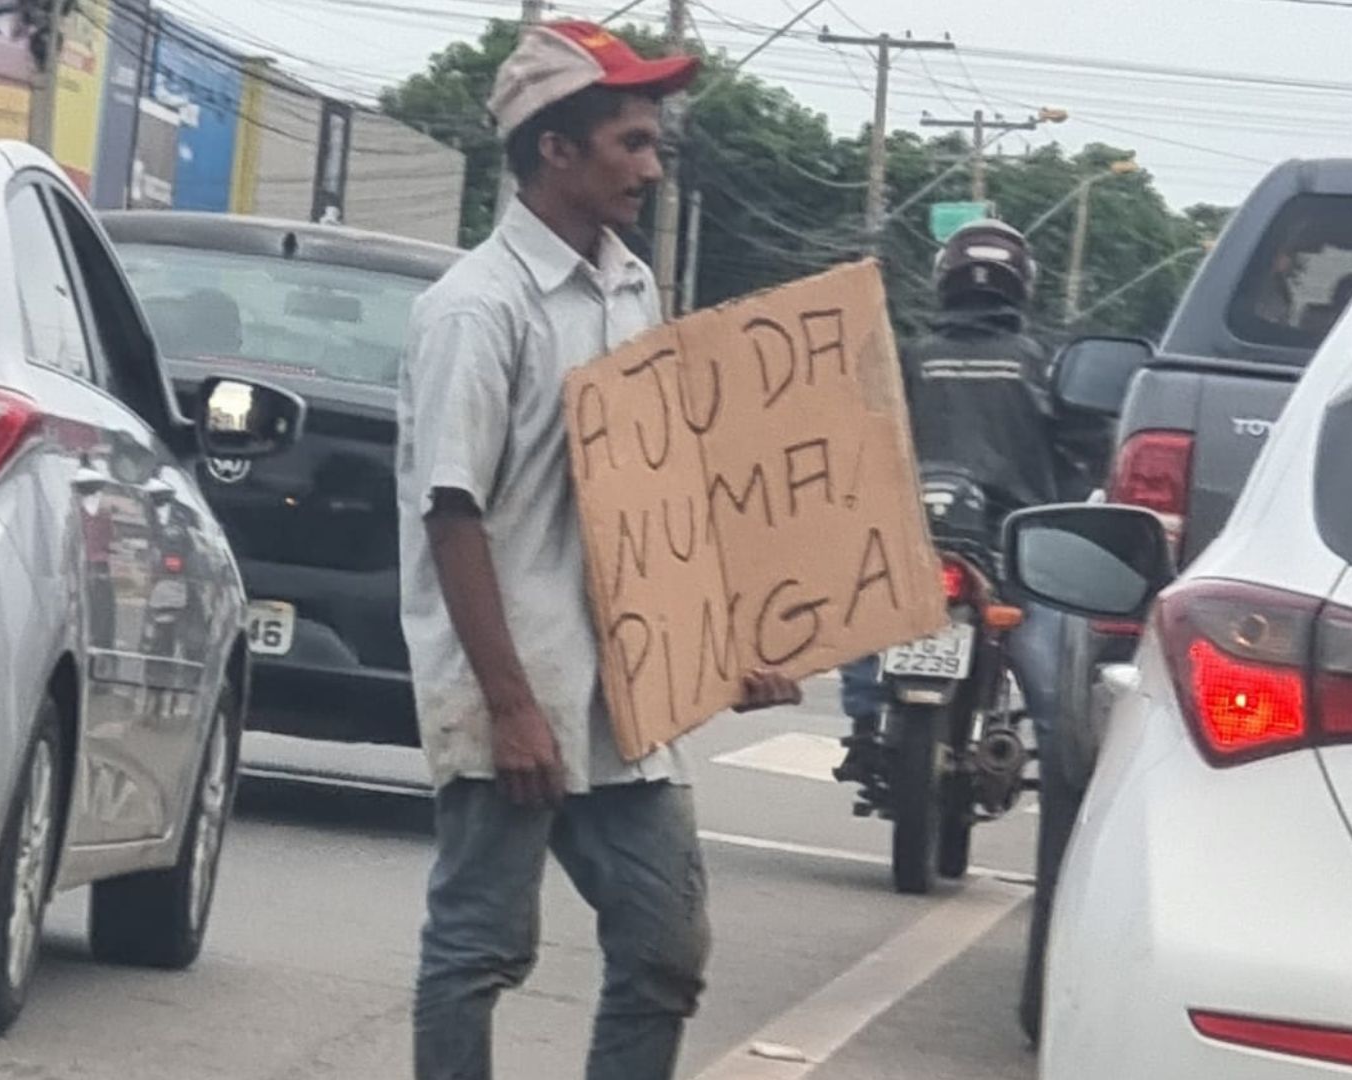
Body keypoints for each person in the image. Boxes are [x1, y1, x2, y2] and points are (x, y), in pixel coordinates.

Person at [396, 21, 801, 1080]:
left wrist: (725, 643)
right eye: (630, 143)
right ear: (553, 150)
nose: (652, 168)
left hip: (626, 697)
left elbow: (655, 500)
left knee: (666, 946)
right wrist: (512, 703)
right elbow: (453, 514)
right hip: (515, 685)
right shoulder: (476, 311)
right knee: (482, 946)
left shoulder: (631, 290)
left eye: (653, 143)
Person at [833, 219, 1098, 1046]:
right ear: (1020, 284)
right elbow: (1087, 447)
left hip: (912, 546)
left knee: (859, 648)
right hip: (1014, 553)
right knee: (1063, 723)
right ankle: (1077, 839)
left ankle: (861, 727)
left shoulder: (907, 358)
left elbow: (859, 433)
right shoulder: (1046, 365)